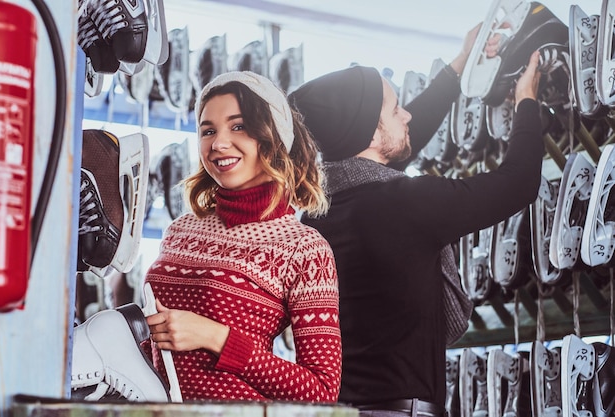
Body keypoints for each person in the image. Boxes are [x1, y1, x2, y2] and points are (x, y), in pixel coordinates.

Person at [287, 24, 544, 414]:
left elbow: (398, 144)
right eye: (395, 108)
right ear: (369, 135)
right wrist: (528, 101)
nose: (406, 114)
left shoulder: (315, 220)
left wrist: (460, 65)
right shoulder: (405, 203)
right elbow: (518, 184)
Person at [143, 71, 342, 402]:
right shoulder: (181, 229)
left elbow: (320, 391)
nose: (218, 143)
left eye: (238, 126)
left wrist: (217, 337)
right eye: (208, 131)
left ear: (272, 136)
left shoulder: (304, 249)